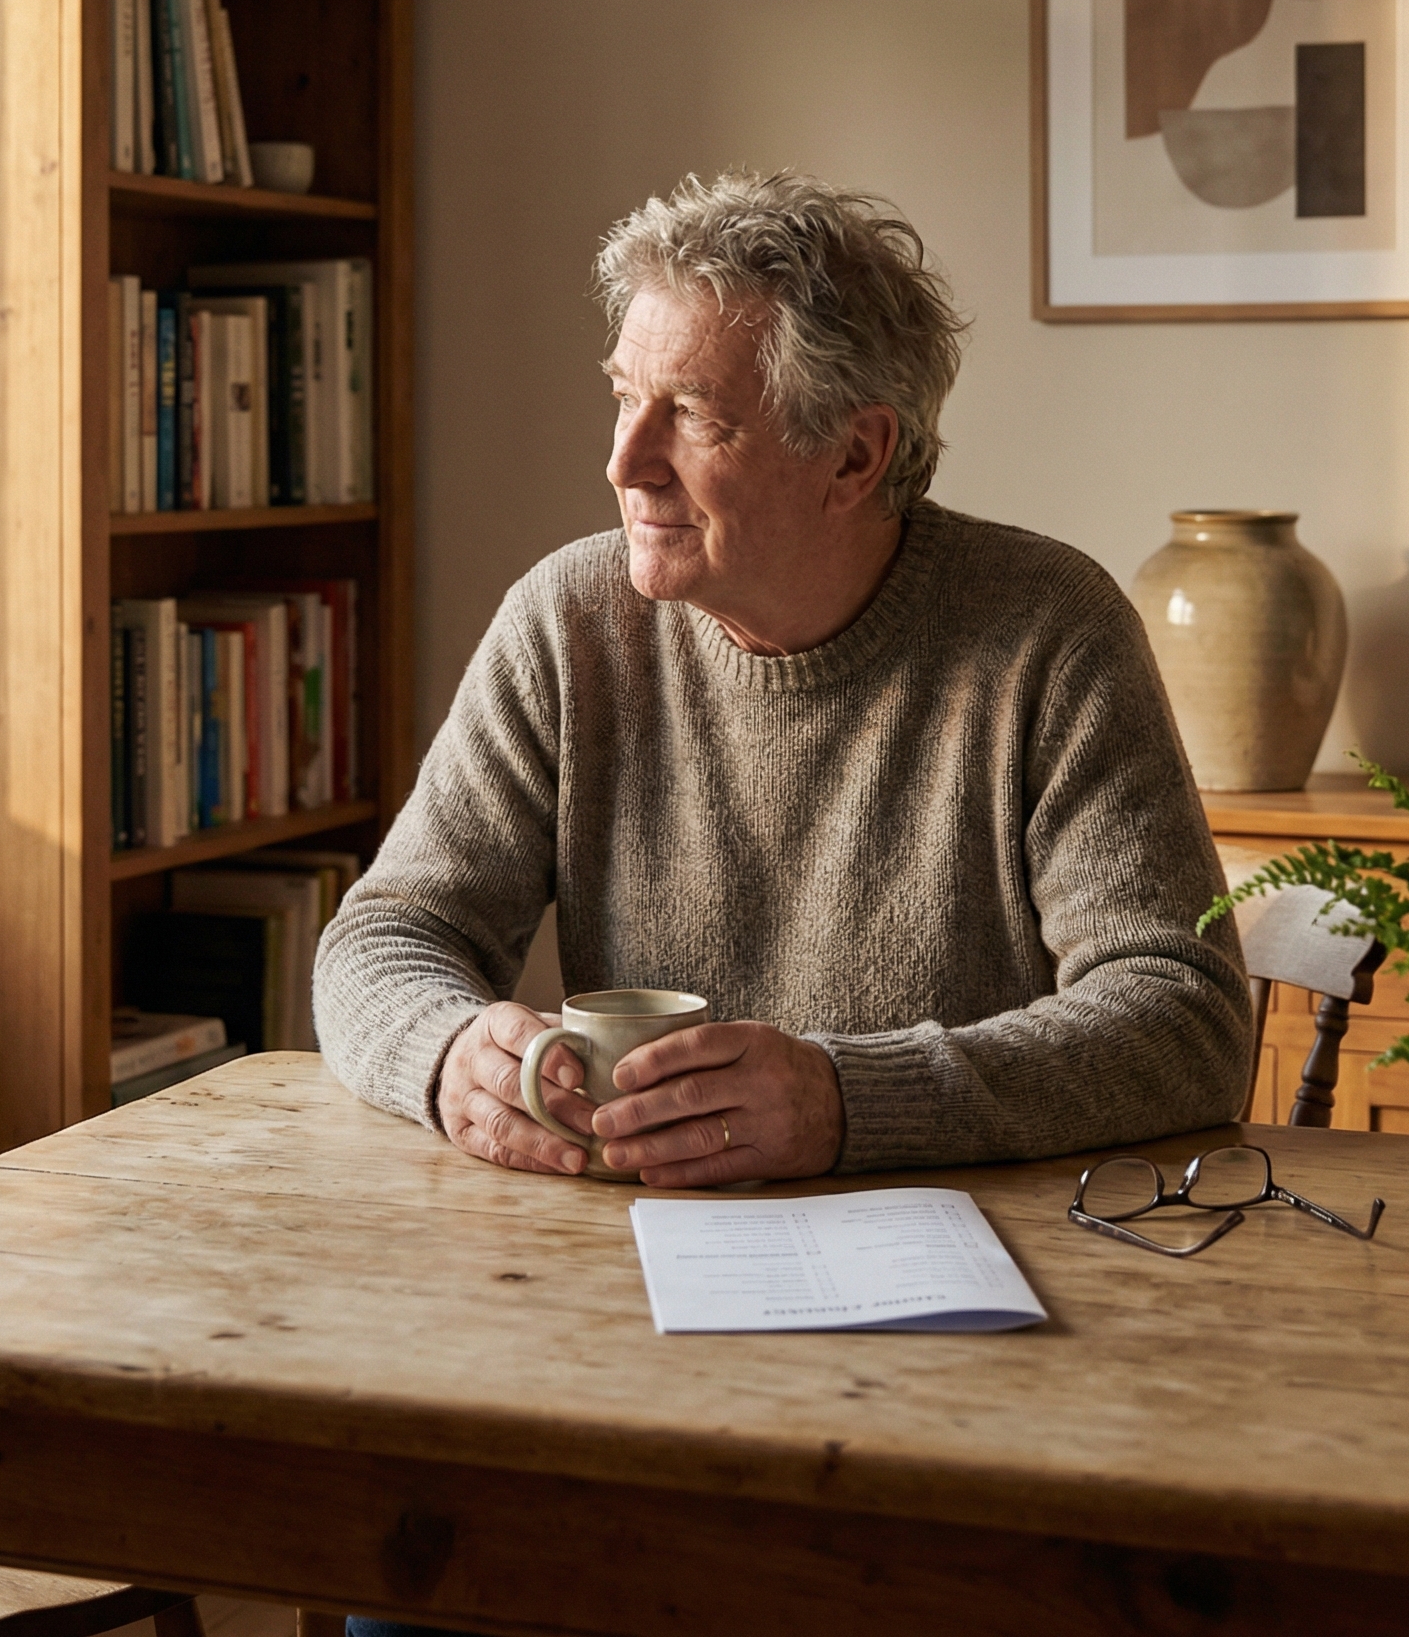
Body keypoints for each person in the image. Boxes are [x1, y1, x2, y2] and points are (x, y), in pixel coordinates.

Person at [314, 168, 1249, 1197]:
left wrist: (848, 1101)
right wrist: (446, 1052)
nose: (626, 462)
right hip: (626, 1262)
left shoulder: (1049, 630)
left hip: (980, 1271)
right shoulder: (567, 620)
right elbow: (386, 933)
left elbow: (1181, 1017)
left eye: (692, 416)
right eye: (625, 397)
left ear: (852, 456)